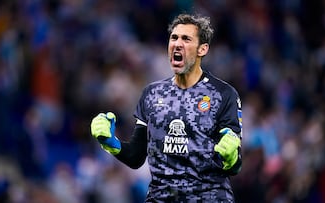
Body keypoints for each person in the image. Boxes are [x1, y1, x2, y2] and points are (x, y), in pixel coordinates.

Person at [90, 13, 243, 202]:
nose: (177, 43)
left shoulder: (223, 94)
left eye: (186, 39)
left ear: (202, 49)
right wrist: (111, 143)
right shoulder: (152, 94)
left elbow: (236, 166)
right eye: (174, 38)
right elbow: (136, 157)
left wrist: (231, 157)